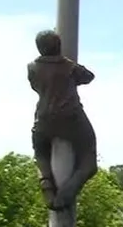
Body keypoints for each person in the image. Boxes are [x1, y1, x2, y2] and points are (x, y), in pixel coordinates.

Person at [27, 29, 98, 211]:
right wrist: (66, 62)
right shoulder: (68, 67)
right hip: (71, 117)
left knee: (40, 153)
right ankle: (67, 193)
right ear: (59, 46)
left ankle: (47, 186)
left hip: (43, 118)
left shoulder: (32, 67)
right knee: (88, 161)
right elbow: (89, 77)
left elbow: (35, 86)